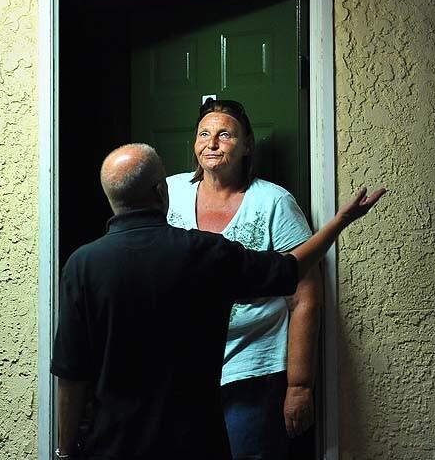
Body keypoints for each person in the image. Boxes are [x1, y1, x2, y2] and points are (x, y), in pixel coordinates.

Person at [52, 143, 383, 460]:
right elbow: (289, 269)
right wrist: (339, 223)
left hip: (113, 444)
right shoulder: (204, 252)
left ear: (112, 199)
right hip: (195, 442)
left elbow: (70, 371)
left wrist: (65, 450)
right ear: (160, 191)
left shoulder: (81, 265)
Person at [166, 98, 320, 458]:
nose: (212, 143)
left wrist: (300, 385)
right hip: (177, 374)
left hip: (252, 374)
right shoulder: (168, 192)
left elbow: (305, 296)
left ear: (247, 144)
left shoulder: (274, 202)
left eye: (225, 135)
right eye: (204, 134)